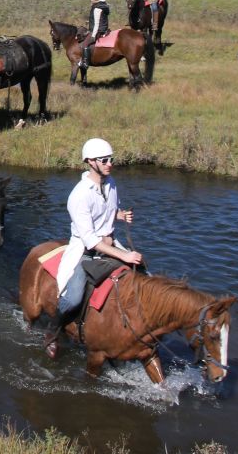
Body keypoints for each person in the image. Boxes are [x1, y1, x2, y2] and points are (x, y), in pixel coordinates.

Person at [43, 138, 141, 359]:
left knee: (145, 275)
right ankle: (52, 330)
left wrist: (120, 215)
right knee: (74, 298)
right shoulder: (78, 195)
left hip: (109, 243)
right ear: (90, 162)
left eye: (111, 159)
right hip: (86, 251)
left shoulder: (111, 183)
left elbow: (105, 212)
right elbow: (91, 241)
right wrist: (125, 255)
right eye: (104, 160)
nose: (109, 163)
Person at [79, 0, 110, 70]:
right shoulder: (102, 5)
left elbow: (97, 24)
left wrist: (93, 35)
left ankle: (86, 63)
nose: (90, 0)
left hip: (98, 30)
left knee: (84, 44)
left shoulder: (97, 8)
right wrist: (89, 21)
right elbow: (101, 18)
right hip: (103, 28)